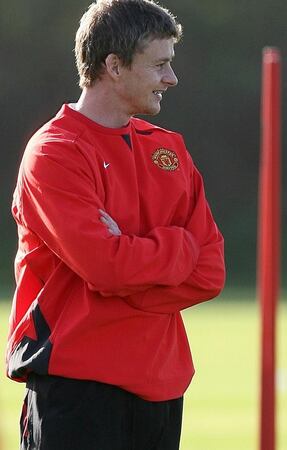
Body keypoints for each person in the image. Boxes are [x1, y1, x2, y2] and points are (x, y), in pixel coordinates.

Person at [7, 1, 225, 448]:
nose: (172, 78)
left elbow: (209, 273)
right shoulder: (54, 152)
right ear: (114, 66)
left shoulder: (170, 150)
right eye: (160, 64)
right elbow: (105, 267)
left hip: (162, 388)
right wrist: (176, 247)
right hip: (77, 389)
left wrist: (131, 253)